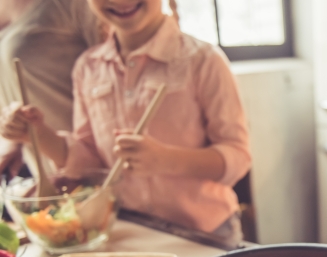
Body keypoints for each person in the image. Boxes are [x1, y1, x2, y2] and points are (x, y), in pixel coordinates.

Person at [0, 0, 251, 242]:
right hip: (129, 230)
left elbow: (237, 157)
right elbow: (89, 160)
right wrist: (38, 133)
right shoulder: (87, 68)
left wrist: (165, 159)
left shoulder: (204, 61)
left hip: (206, 232)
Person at [0, 0, 103, 178]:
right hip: (47, 179)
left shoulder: (72, 5)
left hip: (93, 171)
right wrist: (12, 140)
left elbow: (119, 72)